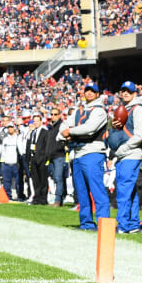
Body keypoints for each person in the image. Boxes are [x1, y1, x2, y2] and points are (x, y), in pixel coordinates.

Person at [59, 82, 110, 231]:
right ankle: (86, 223)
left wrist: (70, 131)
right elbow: (64, 125)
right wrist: (66, 133)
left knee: (97, 190)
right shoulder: (78, 110)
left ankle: (103, 224)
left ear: (97, 94)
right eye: (86, 90)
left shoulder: (99, 110)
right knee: (81, 191)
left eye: (92, 91)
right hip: (78, 153)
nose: (89, 93)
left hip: (93, 152)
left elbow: (89, 129)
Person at [110, 81, 142, 234]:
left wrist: (122, 149)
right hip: (124, 155)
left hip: (130, 154)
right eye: (123, 90)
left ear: (134, 93)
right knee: (130, 191)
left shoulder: (138, 110)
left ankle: (123, 226)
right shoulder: (123, 109)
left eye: (128, 91)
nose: (125, 93)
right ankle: (133, 224)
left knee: (123, 190)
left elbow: (140, 135)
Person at [45, 106, 67, 206]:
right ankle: (60, 198)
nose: (53, 116)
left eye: (55, 114)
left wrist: (60, 147)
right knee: (55, 178)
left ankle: (58, 200)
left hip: (59, 155)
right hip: (51, 156)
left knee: (58, 178)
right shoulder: (50, 128)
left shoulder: (61, 126)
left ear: (59, 115)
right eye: (52, 114)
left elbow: (64, 139)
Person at [26, 112, 49, 205]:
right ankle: (37, 197)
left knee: (43, 179)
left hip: (41, 159)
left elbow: (46, 146)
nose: (35, 123)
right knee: (35, 180)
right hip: (33, 159)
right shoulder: (32, 133)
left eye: (37, 121)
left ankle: (43, 199)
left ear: (41, 122)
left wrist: (44, 157)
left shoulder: (44, 132)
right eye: (34, 121)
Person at [0, 122, 20, 200]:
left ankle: (19, 195)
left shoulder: (18, 138)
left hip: (15, 163)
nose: (10, 129)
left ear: (14, 128)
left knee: (18, 181)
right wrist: (3, 161)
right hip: (7, 163)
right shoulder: (5, 139)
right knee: (6, 181)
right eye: (8, 127)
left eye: (11, 127)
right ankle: (8, 196)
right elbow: (3, 151)